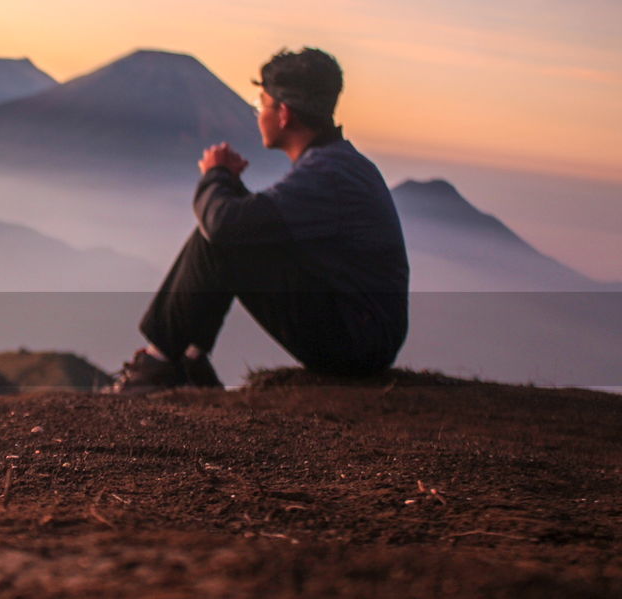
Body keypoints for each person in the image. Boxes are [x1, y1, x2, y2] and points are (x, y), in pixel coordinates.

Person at [107, 47, 409, 393]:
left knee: (222, 235)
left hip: (357, 345)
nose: (256, 113)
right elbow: (252, 223)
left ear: (284, 114)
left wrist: (216, 174)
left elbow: (225, 225)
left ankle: (158, 366)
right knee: (229, 229)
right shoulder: (338, 165)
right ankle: (188, 358)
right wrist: (229, 187)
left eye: (260, 103)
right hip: (363, 334)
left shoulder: (329, 173)